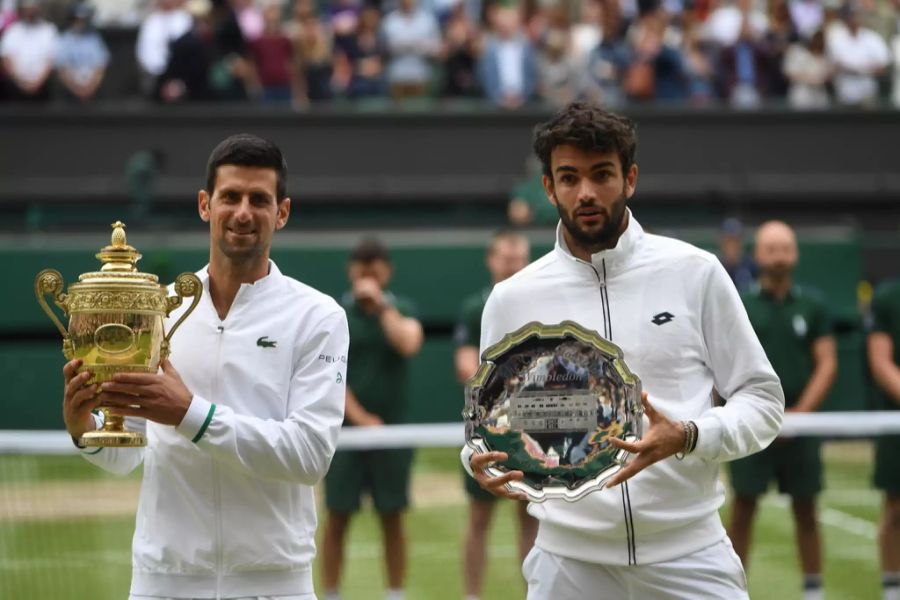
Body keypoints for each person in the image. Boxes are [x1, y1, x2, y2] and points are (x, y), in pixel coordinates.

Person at [462, 102, 784, 599]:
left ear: (629, 178)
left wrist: (689, 435)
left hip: (690, 555)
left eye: (602, 175)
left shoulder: (695, 272)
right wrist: (479, 459)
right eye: (568, 178)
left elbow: (762, 401)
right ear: (549, 188)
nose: (585, 192)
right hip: (568, 565)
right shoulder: (512, 298)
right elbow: (489, 429)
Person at [61, 133, 350, 600]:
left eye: (259, 199)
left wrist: (190, 414)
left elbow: (310, 456)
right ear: (204, 205)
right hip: (162, 582)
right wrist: (86, 428)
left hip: (274, 586)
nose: (242, 212)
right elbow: (127, 450)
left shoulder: (318, 316)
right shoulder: (158, 309)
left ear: (282, 212)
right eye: (229, 196)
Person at [728, 220, 837, 600]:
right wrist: (753, 417)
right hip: (750, 428)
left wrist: (801, 416)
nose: (778, 257)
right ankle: (730, 590)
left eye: (785, 249)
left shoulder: (814, 306)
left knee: (807, 509)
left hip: (800, 430)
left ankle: (813, 591)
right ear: (757, 255)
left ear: (796, 254)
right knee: (743, 508)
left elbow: (827, 363)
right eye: (770, 249)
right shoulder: (740, 304)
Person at [321, 238, 424, 600]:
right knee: (337, 517)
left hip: (392, 435)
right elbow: (331, 375)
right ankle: (331, 593)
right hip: (344, 436)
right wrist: (361, 418)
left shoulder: (400, 309)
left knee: (392, 516)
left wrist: (381, 307)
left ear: (387, 271)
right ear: (351, 271)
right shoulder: (335, 314)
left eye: (376, 266)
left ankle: (395, 593)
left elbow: (409, 343)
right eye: (362, 266)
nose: (369, 273)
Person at [454, 231, 538, 600]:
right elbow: (465, 367)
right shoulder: (476, 308)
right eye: (506, 257)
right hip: (487, 431)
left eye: (519, 257)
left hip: (532, 432)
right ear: (491, 259)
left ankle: (535, 593)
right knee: (479, 517)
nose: (512, 264)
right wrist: (502, 403)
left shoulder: (539, 308)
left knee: (531, 519)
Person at [868, 277, 900, 600]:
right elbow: (880, 360)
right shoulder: (888, 297)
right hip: (896, 421)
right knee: (895, 508)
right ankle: (893, 591)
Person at [0, 0, 58, 102]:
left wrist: (37, 83)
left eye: (33, 9)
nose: (30, 12)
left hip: (42, 87)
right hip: (15, 86)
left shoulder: (49, 30)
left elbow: (51, 59)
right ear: (22, 10)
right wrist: (19, 81)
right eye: (27, 9)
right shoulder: (12, 30)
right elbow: (6, 58)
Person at [718, 217, 758, 292]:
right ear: (722, 241)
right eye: (729, 240)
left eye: (736, 240)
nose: (732, 245)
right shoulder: (716, 265)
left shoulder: (751, 265)